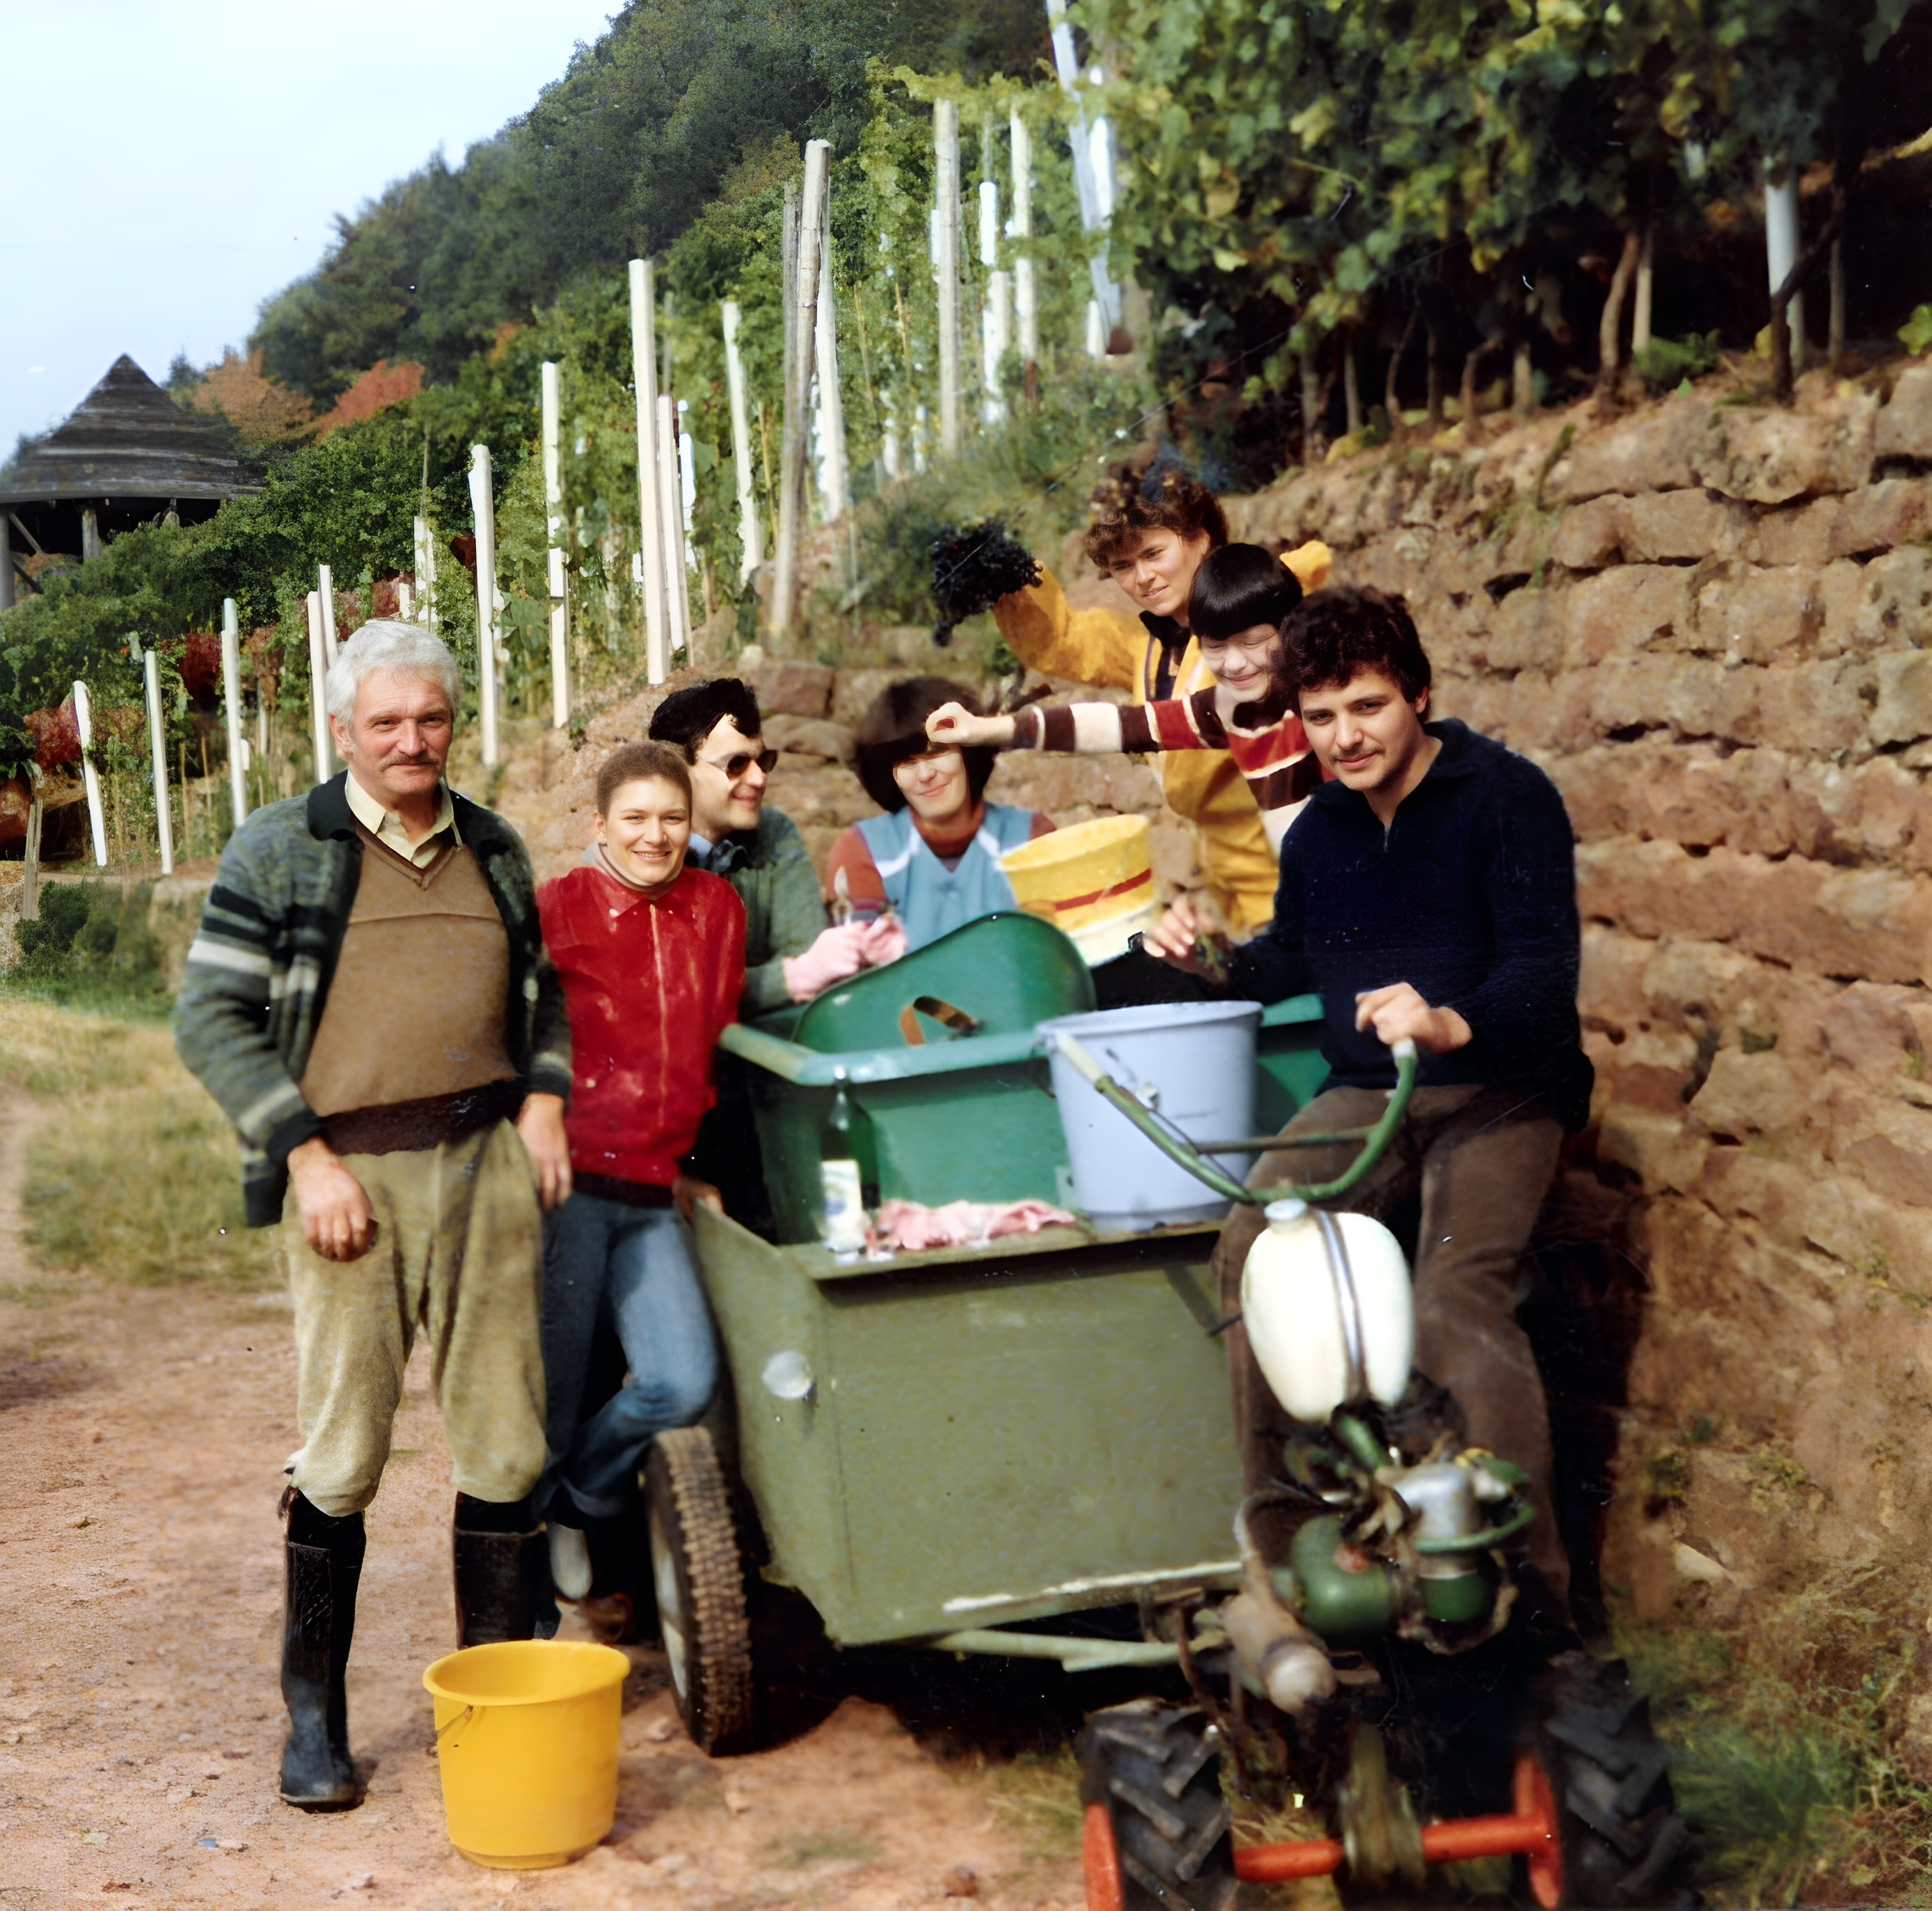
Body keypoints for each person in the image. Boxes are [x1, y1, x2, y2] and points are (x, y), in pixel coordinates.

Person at [174, 621, 573, 1811]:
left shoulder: (493, 844)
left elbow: (544, 998)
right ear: (342, 729)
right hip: (351, 1180)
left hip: (486, 1166)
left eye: (432, 718)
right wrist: (305, 1158)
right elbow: (210, 1018)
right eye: (387, 721)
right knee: (343, 1452)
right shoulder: (280, 849)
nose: (412, 740)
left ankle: (494, 1708)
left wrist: (544, 1103)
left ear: (454, 723)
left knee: (507, 1444)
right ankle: (316, 1726)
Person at [1145, 587, 1592, 1616]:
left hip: (1500, 1089)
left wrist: (1449, 1021)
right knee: (1254, 1242)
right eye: (1322, 715)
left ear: (1420, 697)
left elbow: (1542, 973)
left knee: (1453, 1298)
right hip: (1368, 1091)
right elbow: (1290, 959)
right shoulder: (1321, 836)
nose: (1344, 737)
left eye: (1369, 707)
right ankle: (1287, 1533)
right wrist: (1207, 956)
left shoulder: (1507, 797)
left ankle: (1529, 1594)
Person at [535, 741, 745, 1619]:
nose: (655, 836)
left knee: (682, 1380)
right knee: (549, 1387)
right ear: (600, 826)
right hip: (567, 1186)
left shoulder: (717, 908)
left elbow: (709, 1048)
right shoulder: (557, 909)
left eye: (671, 819)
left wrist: (694, 1170)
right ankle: (525, 1593)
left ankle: (578, 1501)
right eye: (635, 818)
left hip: (655, 1188)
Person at [983, 463, 1331, 938]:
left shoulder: (1263, 619)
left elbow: (1296, 587)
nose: (1143, 578)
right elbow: (1064, 641)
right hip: (1223, 863)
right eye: (1123, 567)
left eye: (1153, 553)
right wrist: (1011, 583)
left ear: (1201, 539)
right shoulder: (1142, 643)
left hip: (1289, 850)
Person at [928, 543, 1324, 854]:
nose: (1235, 664)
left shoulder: (1326, 698)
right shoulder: (1225, 708)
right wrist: (986, 729)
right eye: (1215, 647)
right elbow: (1120, 726)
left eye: (1252, 642)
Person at [647, 678, 901, 1011]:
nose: (759, 779)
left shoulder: (774, 832)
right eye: (736, 764)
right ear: (677, 772)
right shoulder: (643, 851)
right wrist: (790, 978)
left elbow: (805, 953)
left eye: (763, 761)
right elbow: (663, 993)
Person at [826, 677, 1054, 951]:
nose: (925, 775)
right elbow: (860, 972)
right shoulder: (862, 851)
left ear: (967, 750)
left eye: (937, 752)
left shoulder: (1032, 836)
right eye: (906, 763)